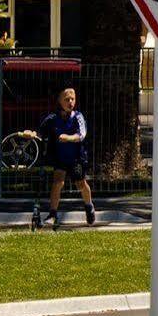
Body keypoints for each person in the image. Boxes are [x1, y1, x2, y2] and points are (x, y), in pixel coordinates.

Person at [34, 86, 94, 229]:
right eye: (67, 99)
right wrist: (32, 134)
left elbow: (82, 134)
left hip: (76, 158)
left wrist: (69, 137)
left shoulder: (78, 117)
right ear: (59, 101)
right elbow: (40, 132)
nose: (70, 102)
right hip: (60, 157)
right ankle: (53, 213)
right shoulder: (53, 118)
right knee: (57, 183)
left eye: (72, 99)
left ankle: (89, 205)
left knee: (80, 184)